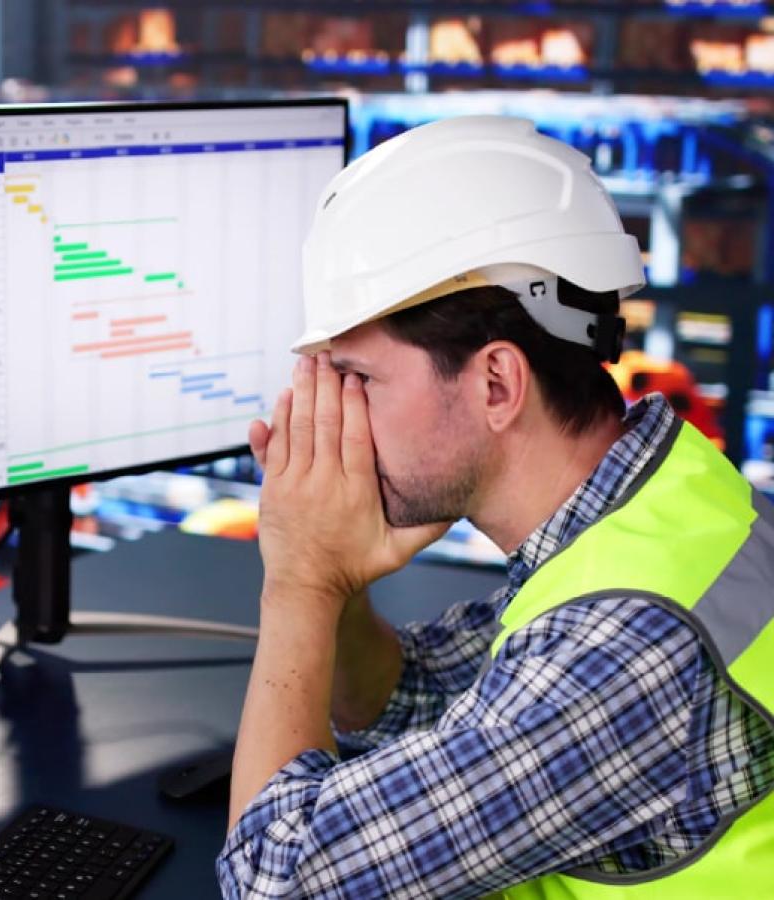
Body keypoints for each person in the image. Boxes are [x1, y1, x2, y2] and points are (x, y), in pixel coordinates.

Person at [218, 115, 774, 899]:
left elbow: (273, 883)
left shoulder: (626, 645)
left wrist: (300, 580)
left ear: (496, 384)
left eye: (359, 379)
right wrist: (338, 585)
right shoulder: (658, 509)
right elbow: (412, 699)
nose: (334, 418)